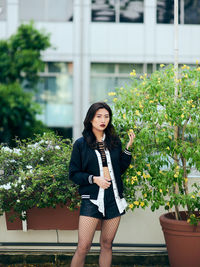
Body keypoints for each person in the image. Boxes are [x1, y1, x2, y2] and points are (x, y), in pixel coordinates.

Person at [69, 102, 135, 267]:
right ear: (90, 119)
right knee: (83, 247)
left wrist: (128, 149)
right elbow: (74, 174)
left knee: (107, 244)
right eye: (98, 116)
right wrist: (94, 179)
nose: (102, 120)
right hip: (92, 200)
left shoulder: (114, 142)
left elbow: (119, 169)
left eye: (106, 116)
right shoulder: (80, 144)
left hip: (113, 199)